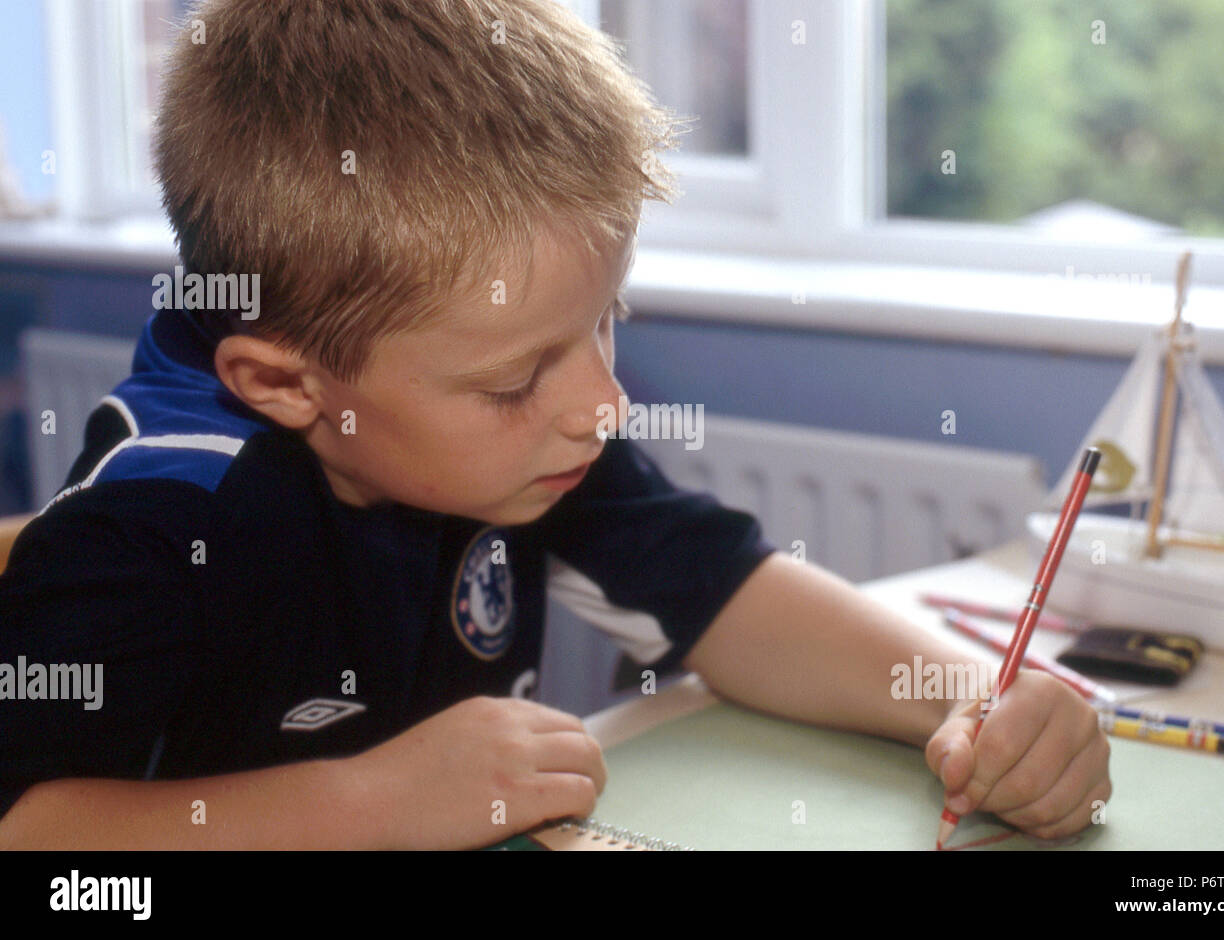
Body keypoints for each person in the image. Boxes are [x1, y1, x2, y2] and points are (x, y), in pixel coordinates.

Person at [0, 0, 1109, 849]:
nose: (601, 405)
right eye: (514, 378)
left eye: (605, 322)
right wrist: (369, 801)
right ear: (288, 386)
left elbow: (722, 594)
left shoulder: (527, 431)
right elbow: (35, 832)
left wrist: (976, 701)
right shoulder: (146, 527)